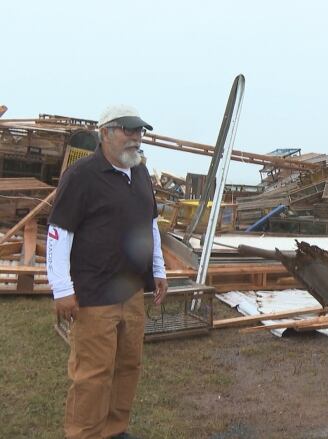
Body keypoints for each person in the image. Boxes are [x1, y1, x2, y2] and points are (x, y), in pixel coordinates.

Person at [46, 104, 168, 439]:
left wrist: (159, 268)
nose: (135, 138)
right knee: (93, 374)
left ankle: (114, 430)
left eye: (139, 131)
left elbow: (151, 223)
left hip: (131, 291)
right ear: (105, 133)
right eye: (127, 130)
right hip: (94, 293)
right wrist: (62, 288)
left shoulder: (141, 172)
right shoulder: (82, 175)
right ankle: (84, 433)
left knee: (128, 366)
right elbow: (59, 233)